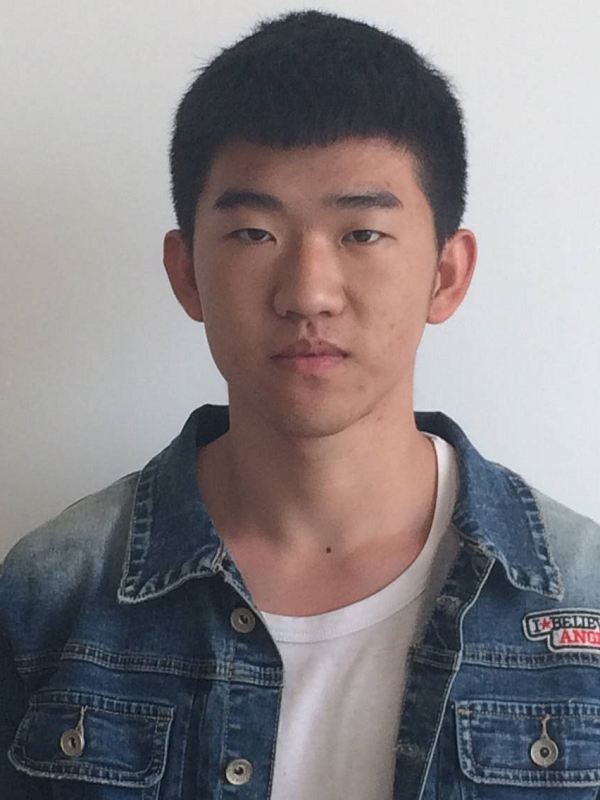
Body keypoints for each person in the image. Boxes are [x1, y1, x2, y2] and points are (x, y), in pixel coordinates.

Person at [1, 8, 599, 800]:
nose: (308, 293)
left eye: (362, 233)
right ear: (186, 273)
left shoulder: (583, 600)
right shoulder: (50, 595)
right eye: (255, 233)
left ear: (446, 275)